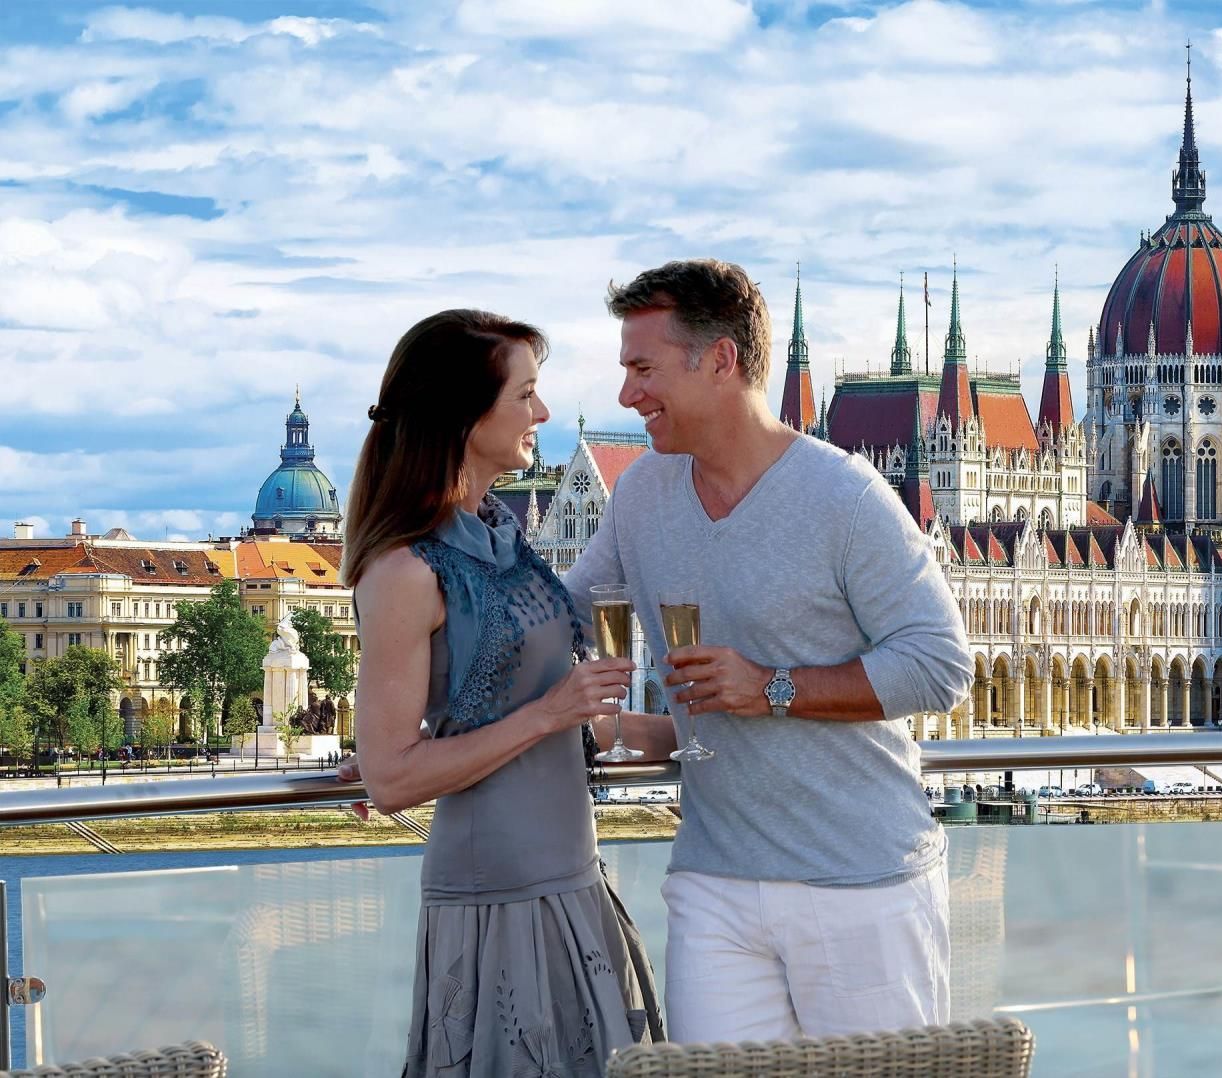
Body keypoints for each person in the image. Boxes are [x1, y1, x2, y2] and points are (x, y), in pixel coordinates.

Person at [567, 259, 971, 1043]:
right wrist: (414, 716)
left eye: (643, 368)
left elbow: (939, 663)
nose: (627, 394)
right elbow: (553, 620)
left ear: (720, 360)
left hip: (863, 882)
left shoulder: (847, 498)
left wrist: (771, 688)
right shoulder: (643, 495)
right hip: (713, 880)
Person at [341, 309, 665, 1076]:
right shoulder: (403, 573)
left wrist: (698, 727)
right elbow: (390, 778)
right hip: (496, 900)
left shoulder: (504, 540)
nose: (543, 414)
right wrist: (549, 712)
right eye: (525, 396)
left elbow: (568, 724)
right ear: (464, 413)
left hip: (574, 883)